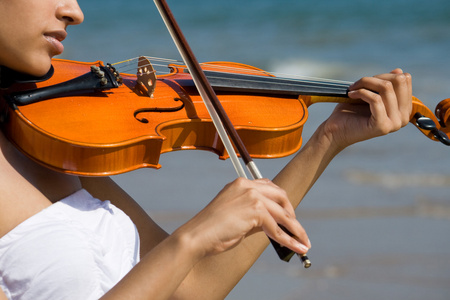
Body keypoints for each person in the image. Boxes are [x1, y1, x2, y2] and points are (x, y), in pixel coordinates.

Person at [0, 0, 413, 299]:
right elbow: (185, 256)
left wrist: (329, 138)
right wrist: (192, 238)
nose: (74, 11)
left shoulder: (43, 142)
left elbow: (193, 287)